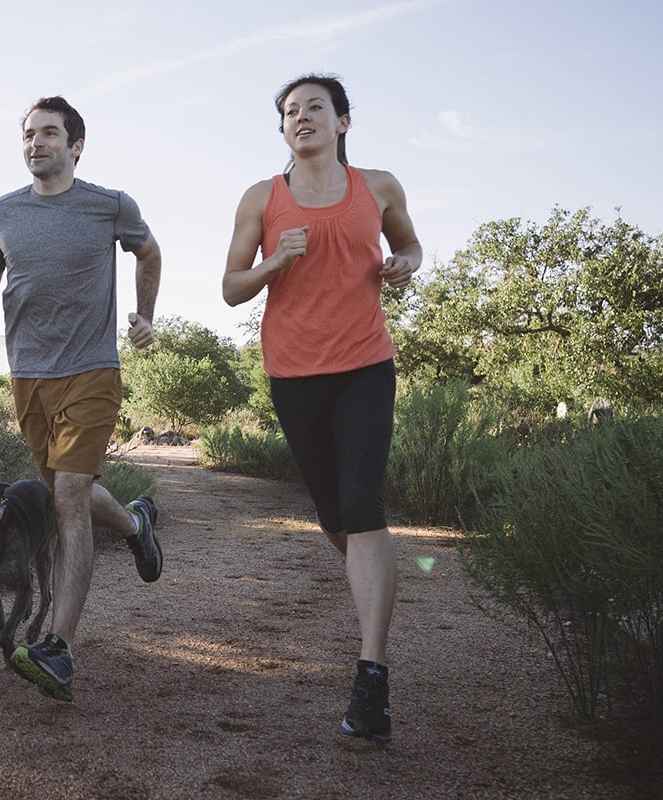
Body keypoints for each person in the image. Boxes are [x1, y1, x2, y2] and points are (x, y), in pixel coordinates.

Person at [0, 96, 163, 702]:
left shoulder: (109, 205)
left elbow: (150, 251)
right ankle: (135, 523)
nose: (36, 142)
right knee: (65, 495)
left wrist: (145, 315)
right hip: (27, 376)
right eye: (28, 134)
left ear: (75, 145)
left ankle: (57, 647)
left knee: (68, 497)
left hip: (91, 369)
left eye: (49, 133)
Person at [221, 74, 422, 743]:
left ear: (342, 122)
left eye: (314, 108)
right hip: (295, 374)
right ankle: (373, 585)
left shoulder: (380, 186)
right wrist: (275, 258)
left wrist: (406, 263)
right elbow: (230, 289)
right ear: (283, 131)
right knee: (336, 518)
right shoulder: (262, 197)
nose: (300, 117)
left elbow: (411, 245)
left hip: (366, 364)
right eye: (289, 112)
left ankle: (373, 677)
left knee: (364, 507)